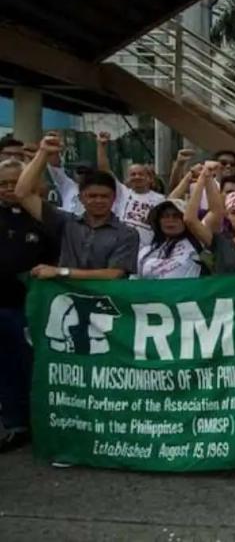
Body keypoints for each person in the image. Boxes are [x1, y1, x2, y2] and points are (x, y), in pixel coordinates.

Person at [15, 134, 139, 281]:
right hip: (65, 300)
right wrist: (42, 153)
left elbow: (114, 274)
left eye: (104, 196)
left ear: (114, 198)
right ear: (81, 198)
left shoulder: (127, 233)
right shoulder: (65, 222)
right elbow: (22, 194)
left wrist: (61, 272)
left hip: (106, 302)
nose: (98, 200)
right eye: (92, 196)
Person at [0, 158, 58, 452]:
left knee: (34, 367)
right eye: (4, 183)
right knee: (6, 368)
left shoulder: (45, 218)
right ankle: (14, 424)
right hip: (2, 305)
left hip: (35, 308)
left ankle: (43, 424)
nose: (10, 189)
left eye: (16, 182)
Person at [95, 132, 165, 247]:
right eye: (133, 174)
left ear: (149, 178)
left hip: (144, 249)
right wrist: (101, 146)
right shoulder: (122, 192)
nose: (137, 177)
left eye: (141, 174)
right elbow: (104, 171)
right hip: (118, 244)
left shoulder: (160, 199)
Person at [137, 198, 203, 279]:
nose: (170, 220)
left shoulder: (196, 244)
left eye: (176, 216)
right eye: (165, 216)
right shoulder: (146, 250)